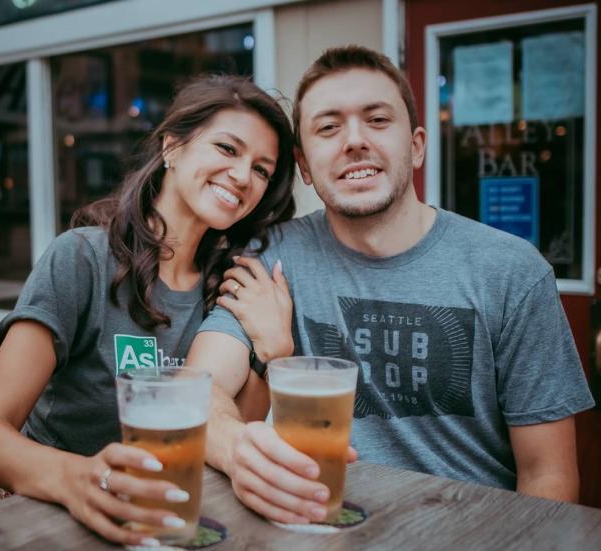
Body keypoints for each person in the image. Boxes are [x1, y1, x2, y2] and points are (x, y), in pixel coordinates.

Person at [187, 45, 595, 525]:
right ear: (302, 164)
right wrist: (238, 452)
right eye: (328, 127)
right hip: (320, 531)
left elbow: (548, 476)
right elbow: (197, 390)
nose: (354, 141)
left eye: (377, 120)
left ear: (417, 145)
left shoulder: (511, 272)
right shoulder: (274, 256)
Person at [0, 74, 297, 547]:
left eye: (262, 169)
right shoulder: (82, 258)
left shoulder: (230, 287)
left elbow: (225, 441)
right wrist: (79, 478)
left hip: (154, 523)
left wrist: (274, 352)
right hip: (41, 513)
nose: (242, 176)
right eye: (227, 148)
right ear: (172, 148)